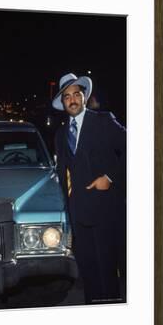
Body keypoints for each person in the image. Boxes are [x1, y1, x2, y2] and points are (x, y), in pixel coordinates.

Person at [52, 73, 126, 304]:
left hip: (105, 212)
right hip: (78, 216)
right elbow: (64, 175)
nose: (72, 100)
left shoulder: (103, 121)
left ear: (85, 97)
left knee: (107, 273)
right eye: (67, 97)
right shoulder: (60, 134)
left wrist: (111, 177)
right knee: (89, 273)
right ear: (63, 103)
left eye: (76, 94)